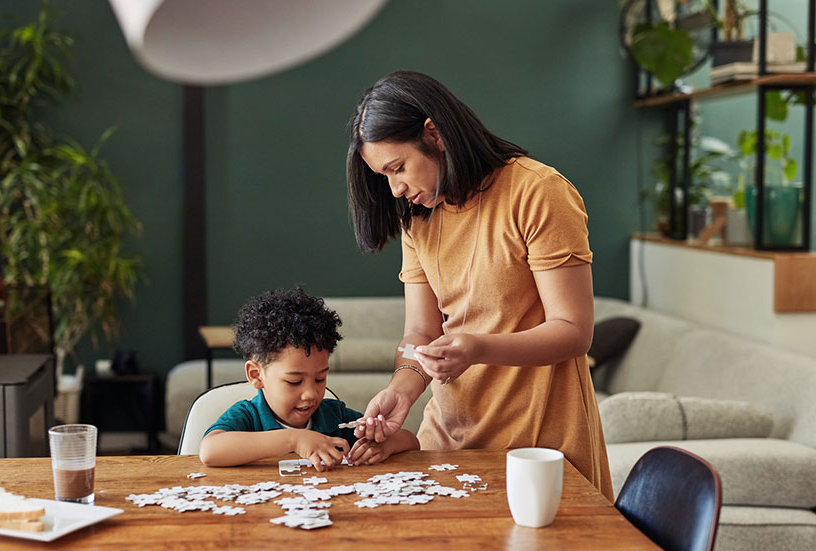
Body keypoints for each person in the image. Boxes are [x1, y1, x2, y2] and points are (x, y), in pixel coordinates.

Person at [345, 71, 612, 500]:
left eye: (398, 168)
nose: (395, 187)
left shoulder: (537, 191)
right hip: (447, 438)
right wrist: (402, 389)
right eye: (383, 176)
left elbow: (574, 331)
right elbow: (420, 334)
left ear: (434, 134)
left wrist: (478, 348)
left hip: (538, 445)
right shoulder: (417, 218)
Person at [198, 287, 419, 471]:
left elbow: (411, 441)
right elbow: (210, 451)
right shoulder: (247, 416)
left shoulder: (335, 416)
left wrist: (385, 445)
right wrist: (294, 439)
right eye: (294, 382)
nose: (311, 394)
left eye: (320, 379)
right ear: (256, 375)